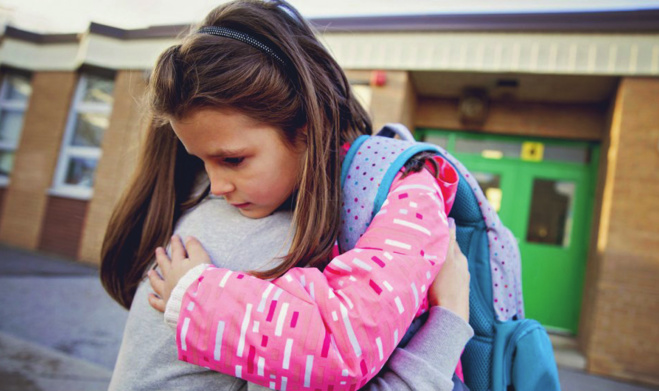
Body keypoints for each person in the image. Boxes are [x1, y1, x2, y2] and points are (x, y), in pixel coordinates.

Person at [101, 1, 472, 390]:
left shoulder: (410, 195)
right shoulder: (263, 217)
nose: (216, 186)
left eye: (232, 159)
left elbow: (342, 348)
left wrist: (196, 294)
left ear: (308, 129)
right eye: (202, 163)